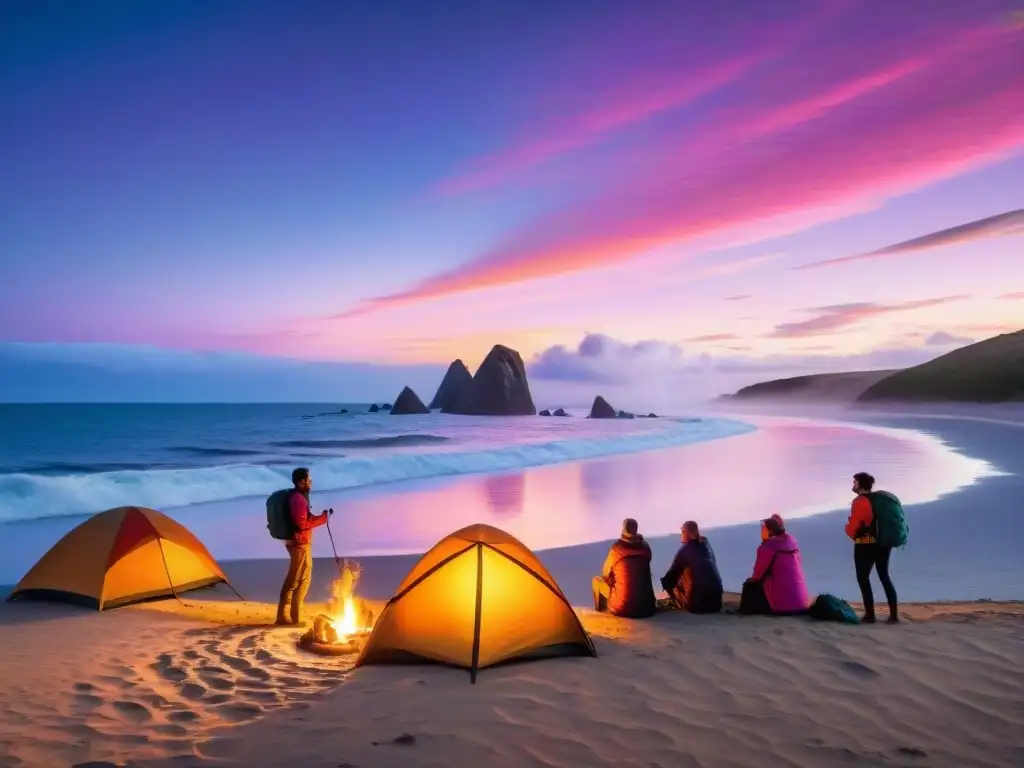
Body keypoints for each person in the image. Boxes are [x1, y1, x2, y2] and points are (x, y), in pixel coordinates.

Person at [276, 467, 331, 626]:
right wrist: (322, 520)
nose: (311, 481)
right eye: (308, 479)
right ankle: (286, 616)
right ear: (301, 481)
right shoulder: (298, 499)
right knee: (296, 579)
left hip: (300, 542)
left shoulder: (300, 497)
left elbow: (306, 518)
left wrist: (322, 517)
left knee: (302, 578)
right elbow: (301, 524)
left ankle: (294, 616)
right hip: (298, 543)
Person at [846, 471, 899, 623]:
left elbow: (854, 529)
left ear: (860, 484)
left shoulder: (860, 501)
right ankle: (894, 615)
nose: (853, 485)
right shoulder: (878, 500)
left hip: (865, 545)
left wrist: (847, 528)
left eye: (854, 482)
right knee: (884, 576)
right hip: (883, 543)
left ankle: (870, 615)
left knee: (863, 578)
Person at [740, 514, 809, 615]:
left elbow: (758, 575)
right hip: (802, 605)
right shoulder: (792, 542)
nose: (762, 531)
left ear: (770, 531)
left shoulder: (767, 547)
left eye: (763, 529)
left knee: (749, 586)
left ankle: (744, 612)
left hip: (780, 607)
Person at [592, 518, 656, 618]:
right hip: (647, 607)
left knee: (596, 581)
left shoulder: (617, 549)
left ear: (623, 529)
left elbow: (605, 572)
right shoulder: (645, 548)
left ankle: (600, 612)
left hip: (622, 608)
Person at [660, 521, 723, 613]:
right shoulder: (706, 544)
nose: (681, 534)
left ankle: (676, 601)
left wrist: (666, 585)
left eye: (682, 532)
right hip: (716, 603)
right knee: (694, 569)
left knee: (678, 576)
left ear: (687, 534)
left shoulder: (685, 550)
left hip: (697, 606)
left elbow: (670, 577)